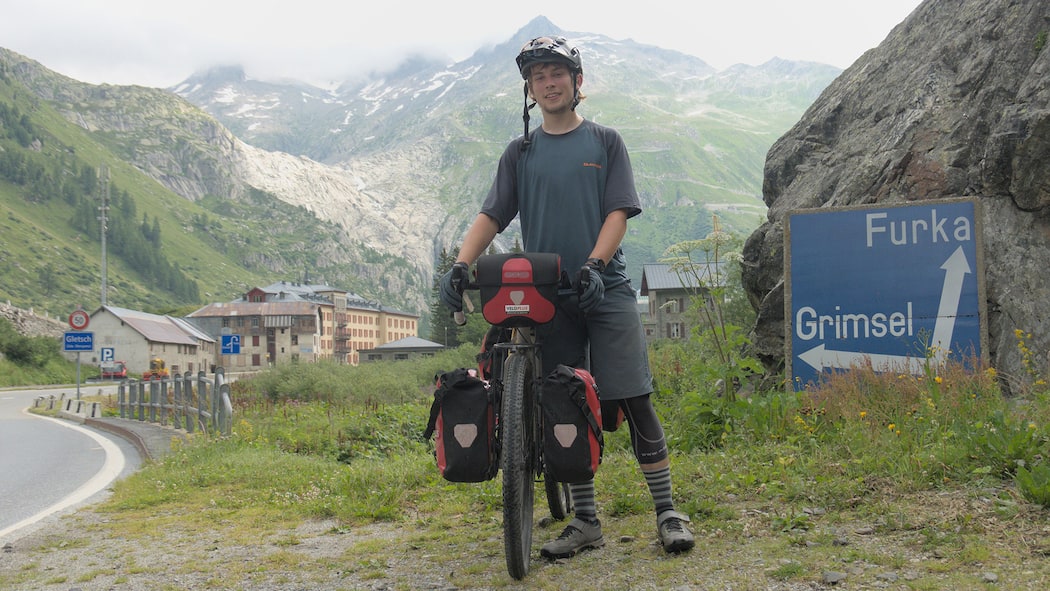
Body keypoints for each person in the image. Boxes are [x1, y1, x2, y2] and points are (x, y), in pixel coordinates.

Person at [440, 35, 695, 557]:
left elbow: (617, 213)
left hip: (606, 288)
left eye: (557, 72)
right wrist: (460, 264)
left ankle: (667, 512)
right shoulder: (521, 152)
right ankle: (586, 521)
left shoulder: (605, 142)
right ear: (530, 90)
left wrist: (596, 265)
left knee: (633, 396)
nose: (548, 82)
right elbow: (492, 215)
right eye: (538, 76)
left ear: (576, 83)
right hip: (545, 295)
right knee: (564, 402)